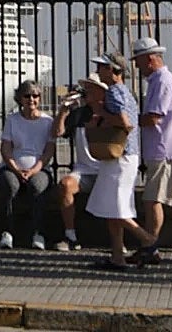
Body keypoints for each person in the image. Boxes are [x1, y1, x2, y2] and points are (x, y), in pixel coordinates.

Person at [84, 51, 158, 269]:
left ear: (112, 70)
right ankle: (117, 255)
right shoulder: (126, 91)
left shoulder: (114, 92)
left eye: (102, 67)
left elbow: (125, 123)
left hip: (120, 155)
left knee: (117, 207)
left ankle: (148, 241)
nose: (98, 71)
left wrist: (101, 113)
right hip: (125, 155)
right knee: (111, 207)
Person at [131, 37, 172, 248]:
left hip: (164, 151)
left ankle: (149, 246)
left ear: (151, 59)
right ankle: (149, 246)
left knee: (152, 201)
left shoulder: (162, 82)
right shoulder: (163, 80)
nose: (136, 65)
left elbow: (153, 117)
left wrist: (127, 120)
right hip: (170, 149)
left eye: (139, 60)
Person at [0, 79, 55, 250]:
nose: (31, 99)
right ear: (20, 98)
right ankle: (7, 232)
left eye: (35, 96)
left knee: (38, 187)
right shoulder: (12, 120)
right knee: (9, 185)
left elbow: (48, 152)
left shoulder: (47, 121)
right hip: (11, 167)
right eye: (27, 96)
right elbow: (6, 148)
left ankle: (38, 232)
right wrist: (16, 169)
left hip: (39, 168)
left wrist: (33, 170)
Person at [51, 73, 104, 251]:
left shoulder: (111, 112)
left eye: (90, 88)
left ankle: (117, 241)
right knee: (65, 185)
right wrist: (64, 111)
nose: (86, 92)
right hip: (84, 170)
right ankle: (70, 235)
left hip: (107, 170)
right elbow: (57, 133)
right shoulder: (79, 114)